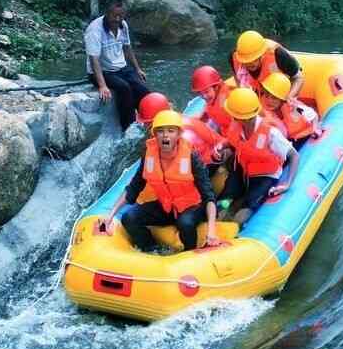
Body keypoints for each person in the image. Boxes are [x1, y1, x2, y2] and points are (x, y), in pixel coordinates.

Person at [103, 110, 219, 252]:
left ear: (178, 135)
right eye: (160, 131)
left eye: (171, 131)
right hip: (166, 207)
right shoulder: (148, 156)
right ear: (155, 135)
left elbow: (208, 195)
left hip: (192, 206)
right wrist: (110, 215)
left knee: (185, 223)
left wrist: (211, 229)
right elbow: (134, 187)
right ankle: (153, 249)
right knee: (129, 217)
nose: (165, 135)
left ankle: (190, 253)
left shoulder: (191, 157)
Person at [217, 87, 299, 227]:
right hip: (244, 169)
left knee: (248, 207)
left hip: (266, 175)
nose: (232, 118)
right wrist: (222, 147)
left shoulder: (270, 133)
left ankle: (237, 226)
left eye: (235, 116)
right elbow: (233, 142)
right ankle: (219, 219)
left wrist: (288, 183)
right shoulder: (236, 125)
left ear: (244, 117)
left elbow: (294, 156)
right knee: (225, 199)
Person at [85, 0, 151, 130]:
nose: (117, 19)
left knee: (142, 90)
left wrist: (138, 69)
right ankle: (128, 126)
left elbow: (127, 48)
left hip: (120, 68)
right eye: (114, 15)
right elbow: (94, 60)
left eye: (120, 16)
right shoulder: (94, 30)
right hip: (100, 72)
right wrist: (102, 85)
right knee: (124, 88)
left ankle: (149, 119)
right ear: (106, 13)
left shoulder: (123, 25)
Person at [232, 31, 304, 99]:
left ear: (262, 54)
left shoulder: (279, 54)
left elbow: (299, 78)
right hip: (260, 85)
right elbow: (236, 77)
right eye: (246, 61)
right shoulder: (235, 57)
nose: (250, 63)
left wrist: (288, 98)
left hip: (283, 82)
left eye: (254, 59)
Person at [258, 72, 320, 145]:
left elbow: (314, 116)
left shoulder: (293, 107)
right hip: (289, 142)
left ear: (282, 100)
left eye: (274, 98)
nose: (269, 101)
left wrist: (315, 128)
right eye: (267, 96)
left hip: (306, 137)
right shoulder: (263, 111)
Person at [191, 65, 233, 133]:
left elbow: (221, 111)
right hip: (221, 125)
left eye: (206, 92)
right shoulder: (214, 96)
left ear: (216, 87)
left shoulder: (225, 102)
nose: (204, 96)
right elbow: (210, 108)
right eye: (200, 93)